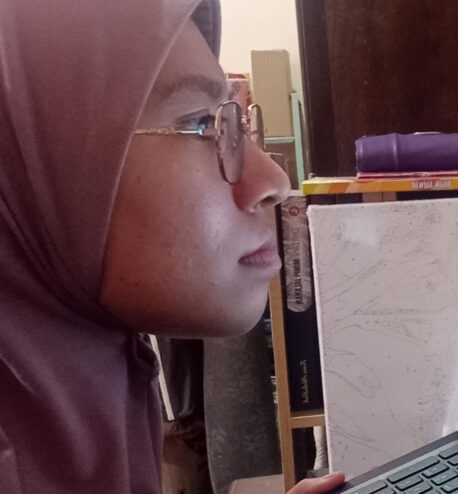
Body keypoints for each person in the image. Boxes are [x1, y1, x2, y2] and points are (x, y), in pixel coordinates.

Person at [0, 1, 344, 492]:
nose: (273, 180)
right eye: (201, 124)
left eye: (232, 125)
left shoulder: (94, 386)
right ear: (32, 161)